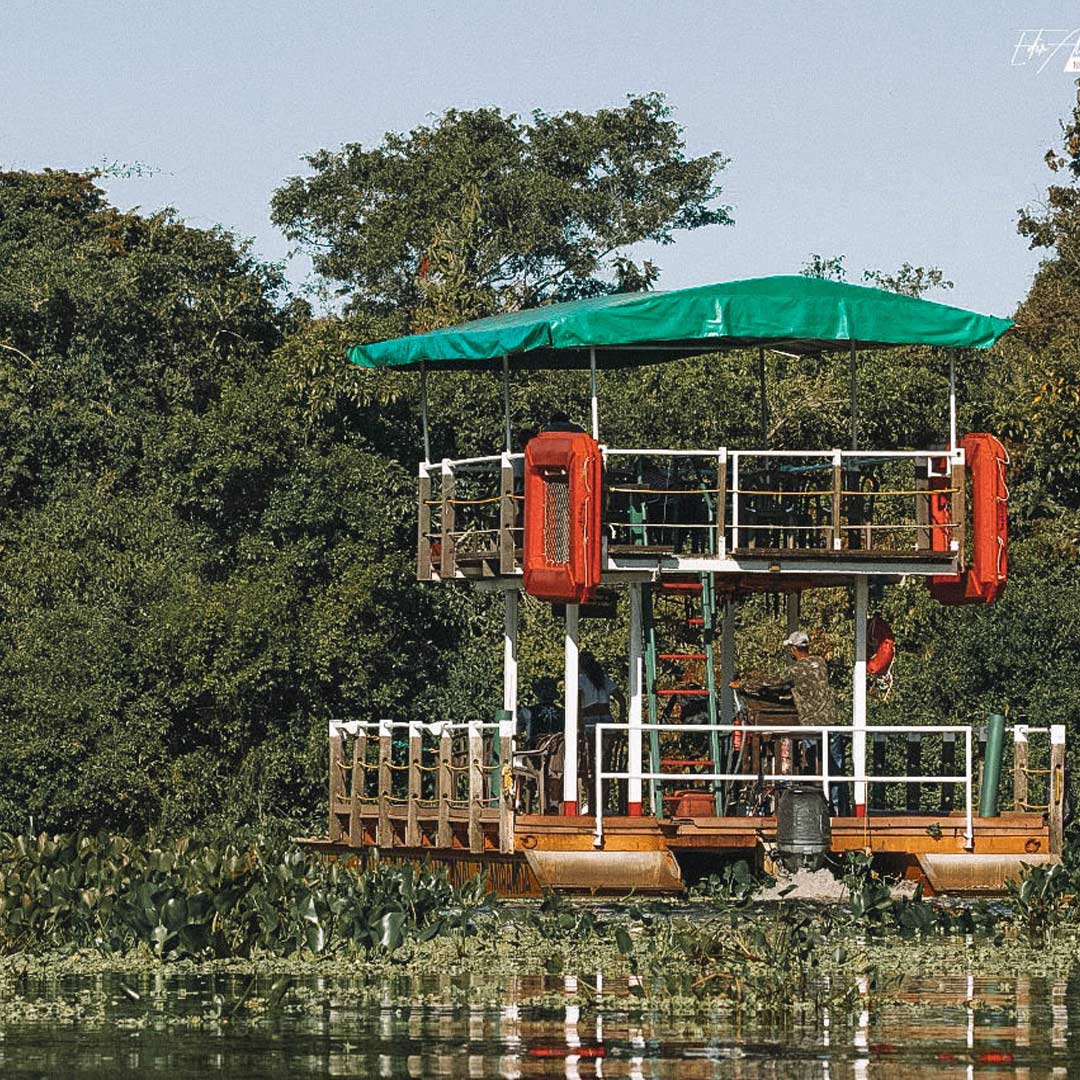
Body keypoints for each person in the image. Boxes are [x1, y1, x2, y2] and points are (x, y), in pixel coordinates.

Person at [744, 630, 849, 815]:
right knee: (835, 768)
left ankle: (816, 809)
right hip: (832, 723)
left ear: (793, 649)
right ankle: (838, 810)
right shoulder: (821, 663)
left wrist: (744, 685)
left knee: (812, 766)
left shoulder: (795, 670)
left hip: (812, 726)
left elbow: (770, 682)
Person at [578, 651, 626, 812]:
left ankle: (593, 805)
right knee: (605, 764)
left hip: (590, 725)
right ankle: (603, 804)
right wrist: (621, 719)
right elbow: (621, 699)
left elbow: (577, 703)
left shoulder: (580, 680)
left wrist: (578, 725)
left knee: (590, 765)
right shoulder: (604, 679)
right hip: (607, 723)